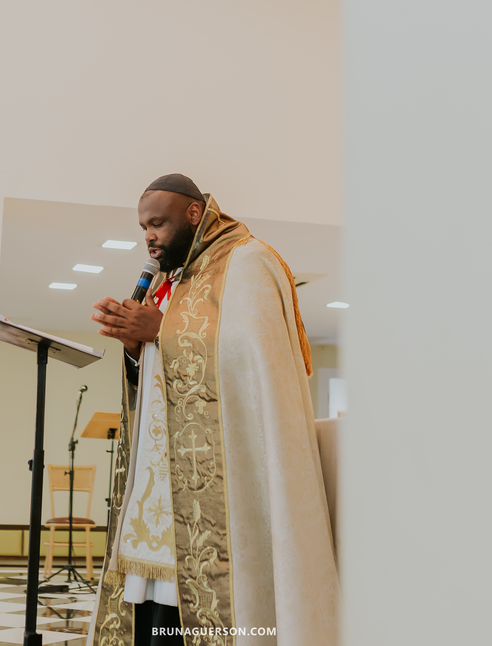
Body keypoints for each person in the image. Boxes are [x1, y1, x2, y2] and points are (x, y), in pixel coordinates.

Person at [88, 174, 339, 646]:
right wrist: (136, 349)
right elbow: (165, 373)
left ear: (194, 213)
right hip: (160, 496)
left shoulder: (248, 262)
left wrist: (163, 331)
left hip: (224, 494)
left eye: (158, 223)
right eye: (144, 227)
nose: (149, 236)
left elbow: (255, 358)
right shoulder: (175, 279)